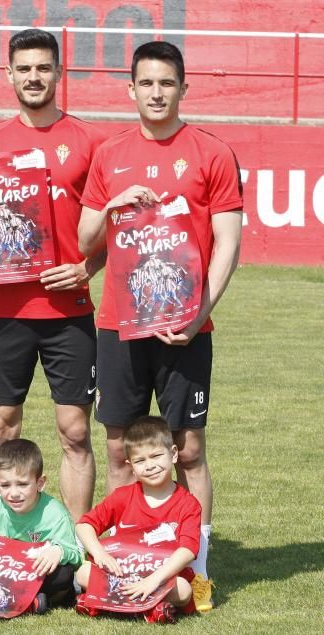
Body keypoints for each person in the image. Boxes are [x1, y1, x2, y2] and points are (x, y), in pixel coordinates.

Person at [77, 40, 243, 611]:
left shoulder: (212, 153)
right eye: (145, 83)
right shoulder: (109, 154)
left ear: (182, 88)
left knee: (189, 447)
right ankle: (127, 558)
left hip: (186, 327)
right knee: (120, 446)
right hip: (118, 325)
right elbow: (84, 240)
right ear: (131, 90)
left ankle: (195, 564)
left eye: (166, 83)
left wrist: (200, 314)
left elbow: (227, 244)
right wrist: (114, 201)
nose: (155, 92)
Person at [0, 28, 106, 520]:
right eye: (24, 68)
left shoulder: (91, 141)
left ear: (59, 73)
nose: (34, 77)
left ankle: (74, 541)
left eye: (43, 68)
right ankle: (1, 538)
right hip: (6, 308)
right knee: (1, 427)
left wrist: (86, 268)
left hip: (69, 310)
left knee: (74, 430)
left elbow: (115, 227)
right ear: (8, 74)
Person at [74, 417, 201, 624]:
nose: (150, 466)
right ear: (131, 466)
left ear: (174, 454)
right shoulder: (123, 496)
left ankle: (102, 602)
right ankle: (150, 609)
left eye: (156, 456)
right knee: (83, 573)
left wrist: (154, 580)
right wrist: (99, 554)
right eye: (140, 461)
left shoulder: (188, 503)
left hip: (162, 577)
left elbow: (188, 551)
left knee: (183, 590)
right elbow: (84, 524)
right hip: (123, 574)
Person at [0, 438, 81, 613]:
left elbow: (76, 556)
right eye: (5, 485)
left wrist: (58, 551)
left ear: (40, 483)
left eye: (22, 484)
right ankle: (31, 601)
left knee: (64, 574)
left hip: (36, 572)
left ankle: (30, 598)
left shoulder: (55, 513)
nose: (14, 493)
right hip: (1, 571)